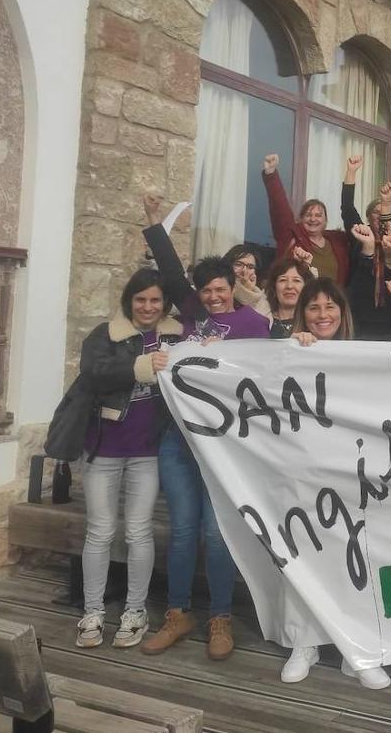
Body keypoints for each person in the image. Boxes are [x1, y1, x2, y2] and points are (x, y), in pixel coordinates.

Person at [139, 194, 270, 661]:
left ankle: (219, 618)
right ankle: (178, 613)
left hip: (224, 446)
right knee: (182, 530)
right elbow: (172, 273)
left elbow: (266, 382)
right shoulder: (192, 316)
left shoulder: (255, 324)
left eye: (220, 289)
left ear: (232, 286)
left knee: (216, 534)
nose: (214, 297)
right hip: (179, 441)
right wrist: (155, 224)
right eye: (207, 291)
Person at [274, 278, 389, 690]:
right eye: (314, 307)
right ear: (302, 312)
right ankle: (304, 643)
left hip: (350, 471)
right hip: (300, 469)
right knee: (301, 552)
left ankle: (355, 647)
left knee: (354, 555)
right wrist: (291, 346)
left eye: (330, 307)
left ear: (343, 312)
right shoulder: (289, 350)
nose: (323, 315)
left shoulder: (359, 356)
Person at [61, 269, 181, 649]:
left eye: (155, 300)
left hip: (147, 451)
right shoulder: (106, 334)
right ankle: (93, 611)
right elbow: (93, 373)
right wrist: (140, 368)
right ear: (130, 300)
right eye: (140, 299)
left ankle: (135, 610)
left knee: (138, 531)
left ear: (165, 303)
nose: (147, 307)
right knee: (99, 531)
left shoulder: (176, 337)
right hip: (103, 450)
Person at [263, 153, 353, 284]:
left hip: (332, 302)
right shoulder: (291, 236)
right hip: (301, 301)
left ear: (326, 221)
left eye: (318, 215)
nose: (313, 219)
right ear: (300, 219)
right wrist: (271, 174)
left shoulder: (338, 242)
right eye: (308, 215)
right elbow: (280, 209)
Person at [344, 181, 391, 339]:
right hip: (360, 311)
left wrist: (386, 203)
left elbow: (386, 233)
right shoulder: (360, 237)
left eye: (382, 213)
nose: (379, 216)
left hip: (389, 315)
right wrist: (350, 172)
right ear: (368, 216)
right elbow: (348, 209)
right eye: (375, 212)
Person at [235, 247, 317, 338]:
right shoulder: (261, 314)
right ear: (274, 287)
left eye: (296, 281)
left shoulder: (313, 322)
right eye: (283, 280)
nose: (289, 286)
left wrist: (305, 264)